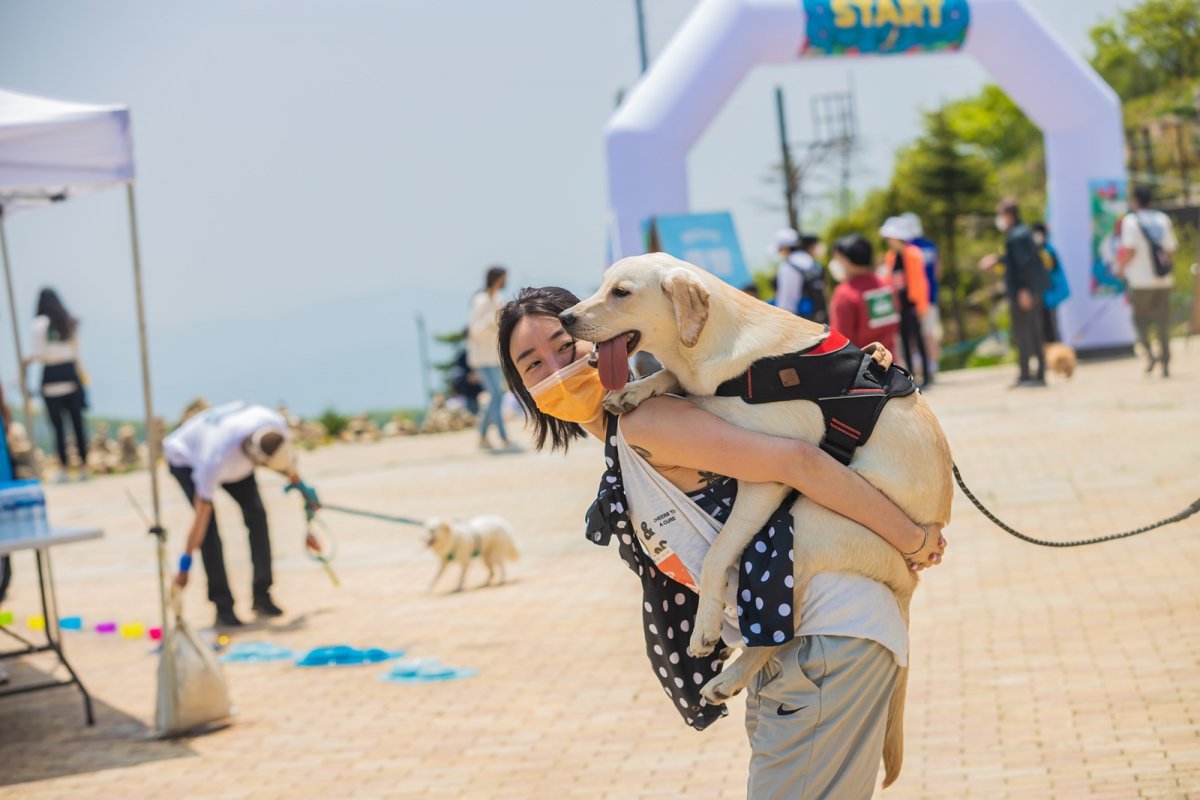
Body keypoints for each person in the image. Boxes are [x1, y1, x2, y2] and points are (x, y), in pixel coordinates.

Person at [497, 286, 947, 798]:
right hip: (796, 646)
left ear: (602, 335)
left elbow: (796, 462)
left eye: (565, 345)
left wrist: (912, 539)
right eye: (533, 364)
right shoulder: (637, 426)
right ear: (521, 388)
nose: (557, 368)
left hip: (824, 637)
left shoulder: (648, 420)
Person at [165, 401, 318, 627]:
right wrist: (184, 566)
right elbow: (200, 519)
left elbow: (284, 462)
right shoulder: (213, 460)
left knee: (257, 515)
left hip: (234, 449)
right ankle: (223, 606)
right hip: (187, 457)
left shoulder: (276, 425)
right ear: (255, 458)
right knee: (209, 530)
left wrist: (303, 490)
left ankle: (262, 594)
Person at [979, 199, 1050, 387]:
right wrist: (997, 259)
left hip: (1023, 290)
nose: (999, 219)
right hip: (1028, 288)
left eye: (1000, 214)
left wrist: (1024, 290)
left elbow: (1024, 264)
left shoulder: (1016, 236)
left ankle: (1029, 374)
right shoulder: (1021, 232)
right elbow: (1016, 259)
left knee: (1025, 332)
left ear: (1008, 215)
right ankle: (1036, 373)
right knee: (1031, 330)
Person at [23, 288, 89, 482]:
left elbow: (38, 353)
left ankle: (64, 469)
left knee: (58, 428)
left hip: (51, 377)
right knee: (78, 424)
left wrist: (27, 361)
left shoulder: (39, 324)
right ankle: (84, 467)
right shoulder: (69, 321)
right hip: (71, 375)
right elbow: (76, 352)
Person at [1117, 186, 1177, 377]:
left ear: (1135, 200)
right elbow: (1171, 250)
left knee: (1140, 321)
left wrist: (1120, 268)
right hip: (1163, 280)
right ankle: (1165, 362)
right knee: (1163, 322)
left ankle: (1150, 355)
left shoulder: (1131, 221)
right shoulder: (1162, 219)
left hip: (1140, 281)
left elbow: (1130, 250)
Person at [467, 266, 516, 452]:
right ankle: (502, 437)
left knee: (496, 395)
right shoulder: (480, 300)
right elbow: (474, 330)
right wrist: (492, 317)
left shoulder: (497, 298)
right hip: (481, 358)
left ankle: (482, 434)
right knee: (496, 395)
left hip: (494, 356)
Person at [880, 217, 931, 386]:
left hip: (912, 303)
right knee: (904, 341)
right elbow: (889, 280)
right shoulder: (891, 256)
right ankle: (911, 376)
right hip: (899, 305)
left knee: (918, 339)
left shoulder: (913, 253)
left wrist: (921, 305)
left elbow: (920, 282)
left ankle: (927, 375)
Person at [829, 234, 901, 353]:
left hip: (860, 362)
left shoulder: (845, 293)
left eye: (837, 259)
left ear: (847, 261)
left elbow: (840, 341)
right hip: (889, 359)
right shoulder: (886, 286)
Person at [901, 212, 942, 383]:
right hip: (931, 296)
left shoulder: (907, 249)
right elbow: (938, 271)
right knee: (930, 333)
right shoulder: (931, 245)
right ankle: (932, 367)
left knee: (914, 337)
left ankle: (919, 370)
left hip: (914, 299)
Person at [772, 229, 829, 324]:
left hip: (803, 320)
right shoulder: (811, 261)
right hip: (821, 316)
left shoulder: (788, 266)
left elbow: (787, 301)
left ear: (785, 248)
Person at [1033, 222, 1069, 343]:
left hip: (1050, 294)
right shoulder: (1042, 250)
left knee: (1051, 326)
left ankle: (1057, 350)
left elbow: (1048, 269)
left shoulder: (1047, 251)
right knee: (1046, 325)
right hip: (1045, 295)